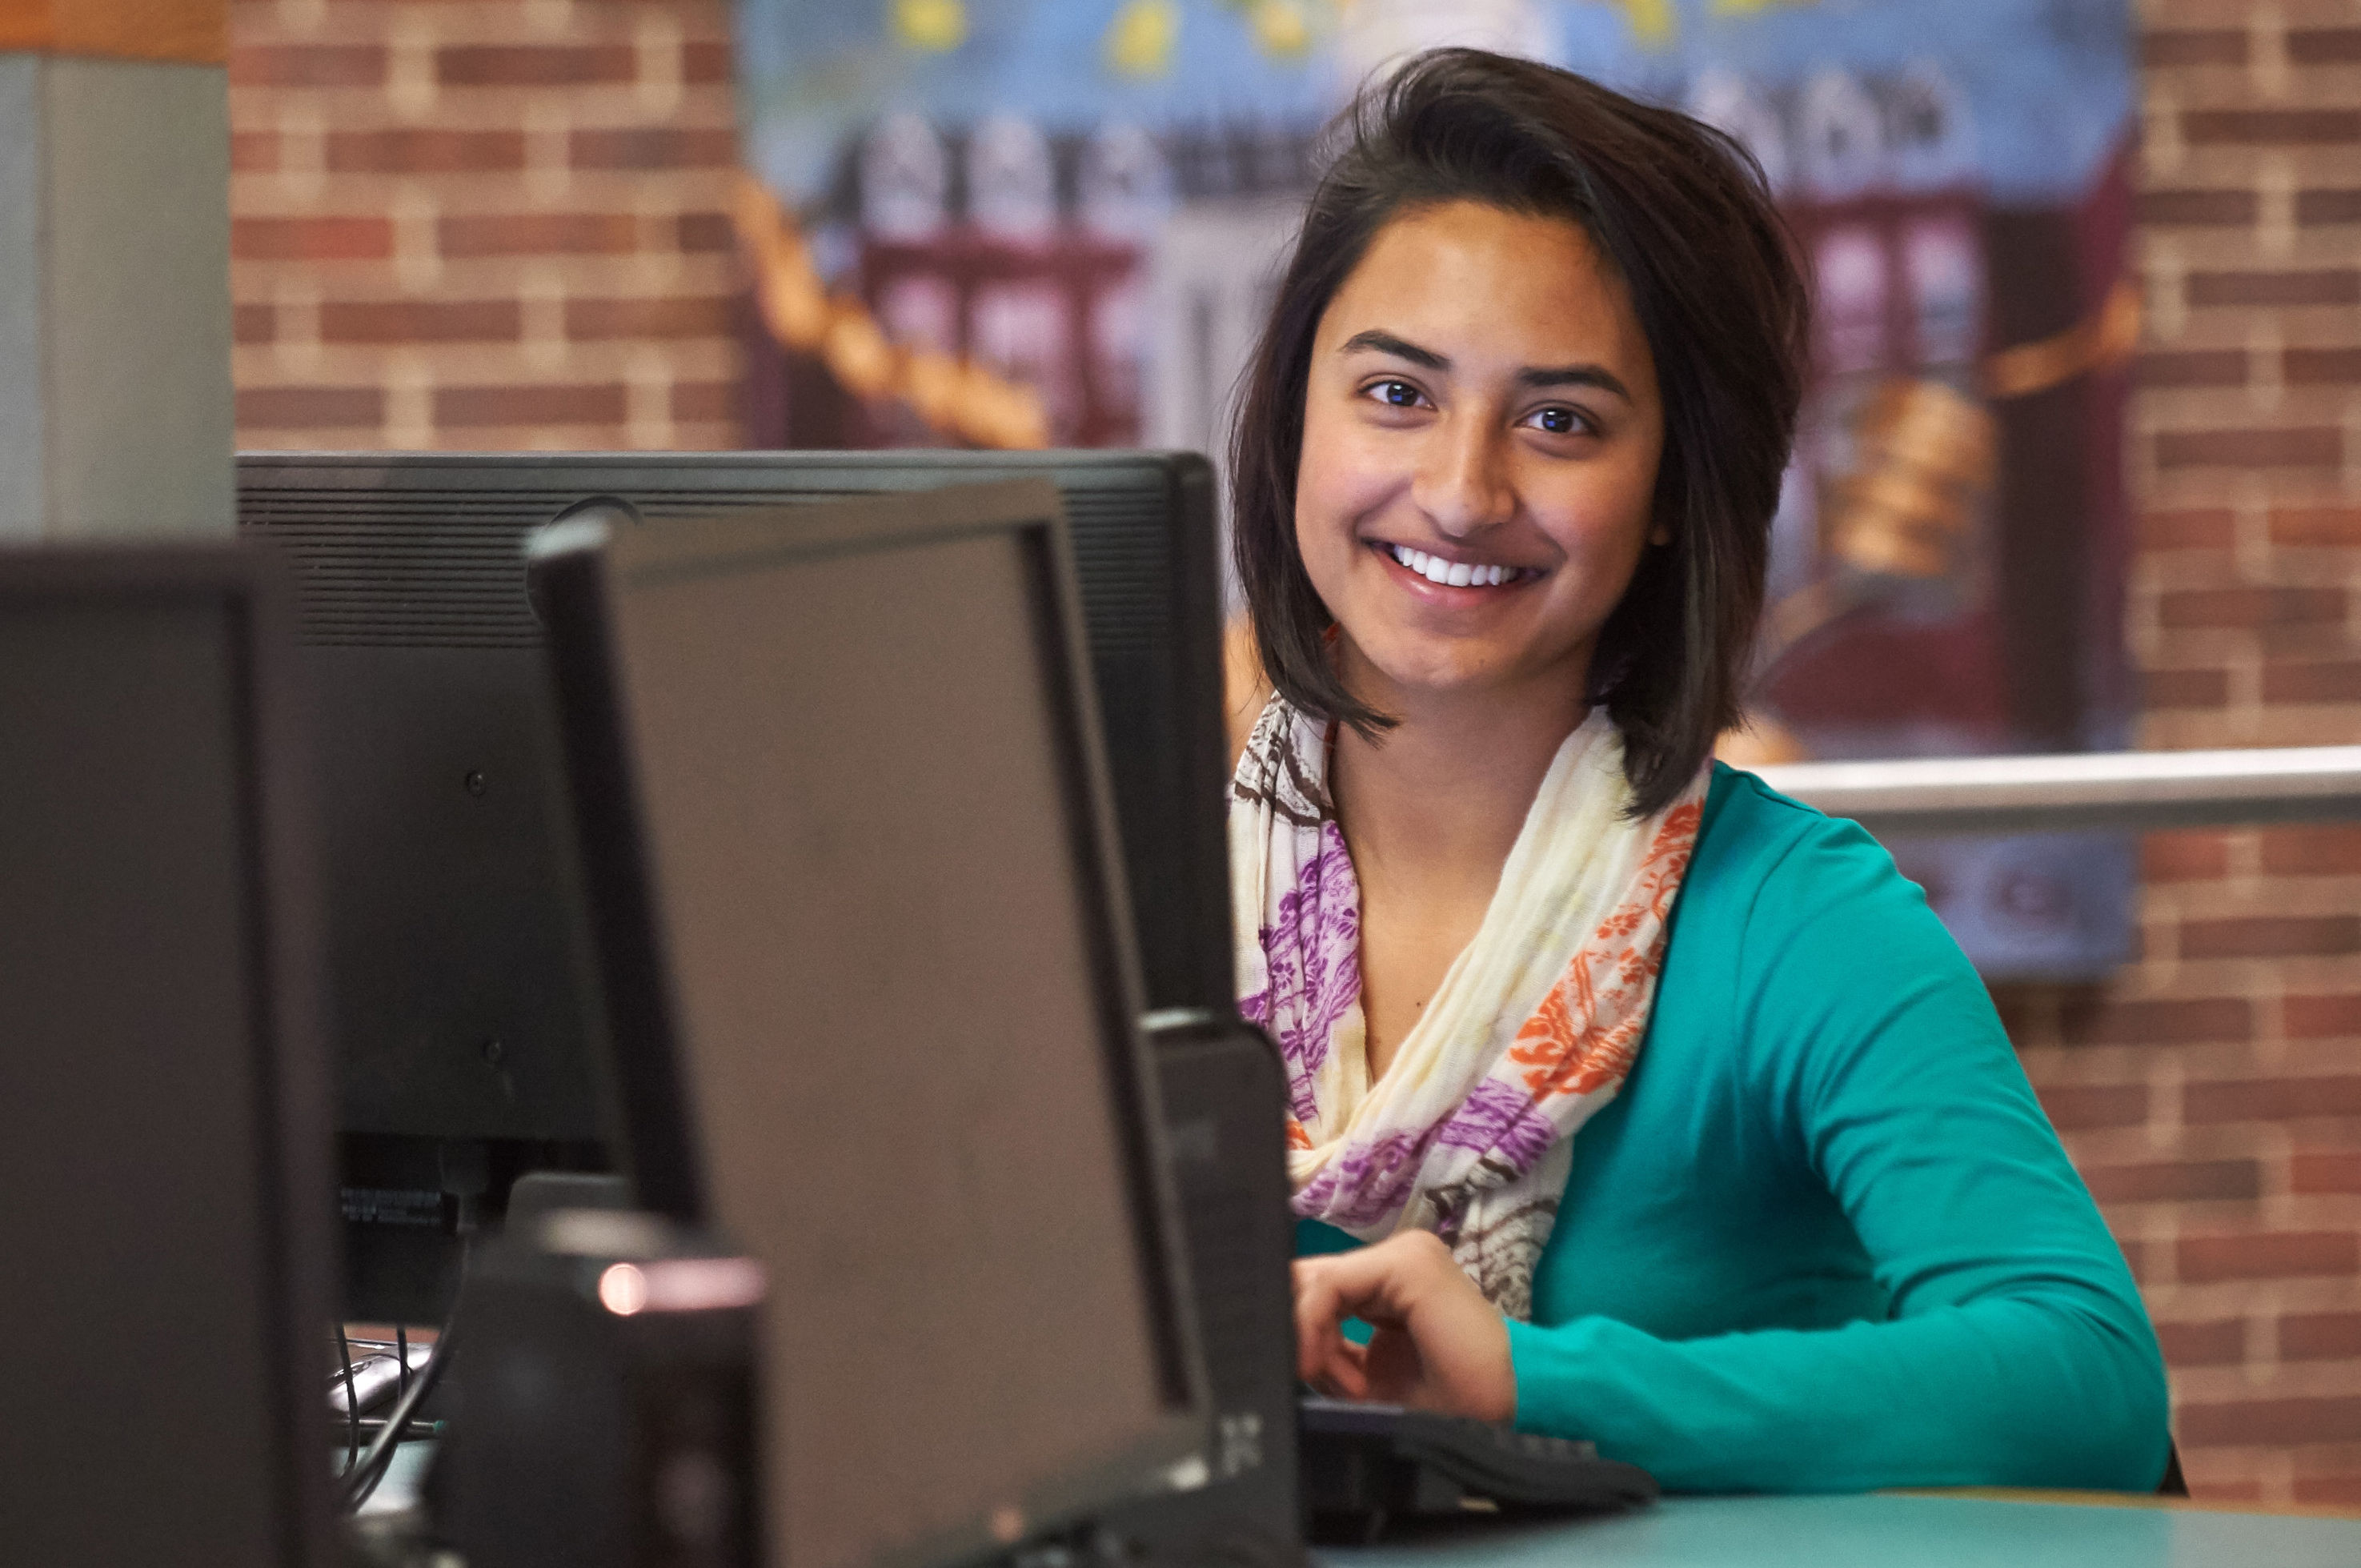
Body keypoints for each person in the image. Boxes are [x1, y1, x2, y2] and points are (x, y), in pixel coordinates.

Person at [1225, 48, 2171, 1493]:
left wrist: (1532, 1381)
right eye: (1397, 393)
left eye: (1559, 421)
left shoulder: (1790, 920)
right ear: (1298, 417)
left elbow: (2084, 1372)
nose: (1464, 490)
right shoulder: (1131, 894)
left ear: (1671, 494)